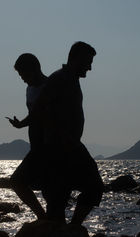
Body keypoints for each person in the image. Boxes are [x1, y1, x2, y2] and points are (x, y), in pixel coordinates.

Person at [33, 41, 104, 225]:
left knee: (89, 188)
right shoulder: (59, 78)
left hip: (71, 145)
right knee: (60, 196)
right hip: (59, 148)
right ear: (76, 59)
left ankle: (72, 229)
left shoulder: (71, 80)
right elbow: (40, 106)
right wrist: (57, 135)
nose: (90, 67)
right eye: (88, 62)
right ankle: (61, 236)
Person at [6, 53, 47, 220]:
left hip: (49, 146)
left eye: (24, 74)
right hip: (36, 145)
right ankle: (43, 217)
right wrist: (20, 124)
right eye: (20, 75)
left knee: (19, 181)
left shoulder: (50, 87)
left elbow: (43, 114)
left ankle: (47, 220)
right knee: (18, 182)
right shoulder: (29, 89)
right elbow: (33, 115)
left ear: (35, 69)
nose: (22, 78)